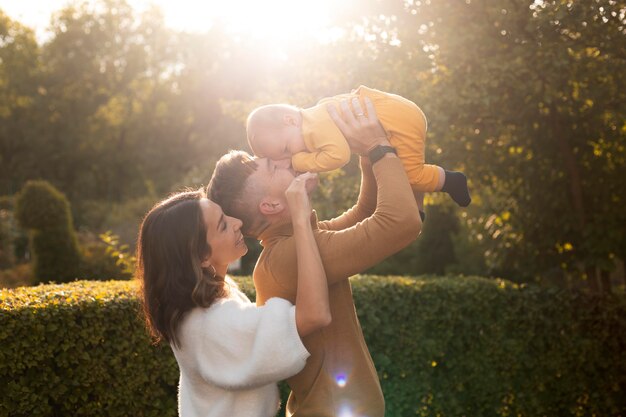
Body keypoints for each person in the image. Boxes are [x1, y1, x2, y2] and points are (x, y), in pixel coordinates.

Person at [207, 97, 422, 417]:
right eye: (271, 165)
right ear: (271, 206)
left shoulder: (295, 242)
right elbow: (400, 223)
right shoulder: (287, 257)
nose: (285, 158)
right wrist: (378, 147)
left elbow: (364, 214)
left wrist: (365, 151)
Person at [136, 171, 331, 417]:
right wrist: (301, 219)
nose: (236, 222)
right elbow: (314, 315)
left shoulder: (211, 295)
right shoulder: (212, 323)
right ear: (202, 257)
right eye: (223, 225)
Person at [247, 85, 471, 209]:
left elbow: (339, 156)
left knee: (412, 174)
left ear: (290, 120)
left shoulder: (314, 128)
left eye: (286, 148)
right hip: (398, 111)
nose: (293, 154)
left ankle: (452, 180)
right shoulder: (314, 116)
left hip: (399, 121)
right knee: (399, 168)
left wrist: (298, 161)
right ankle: (416, 210)